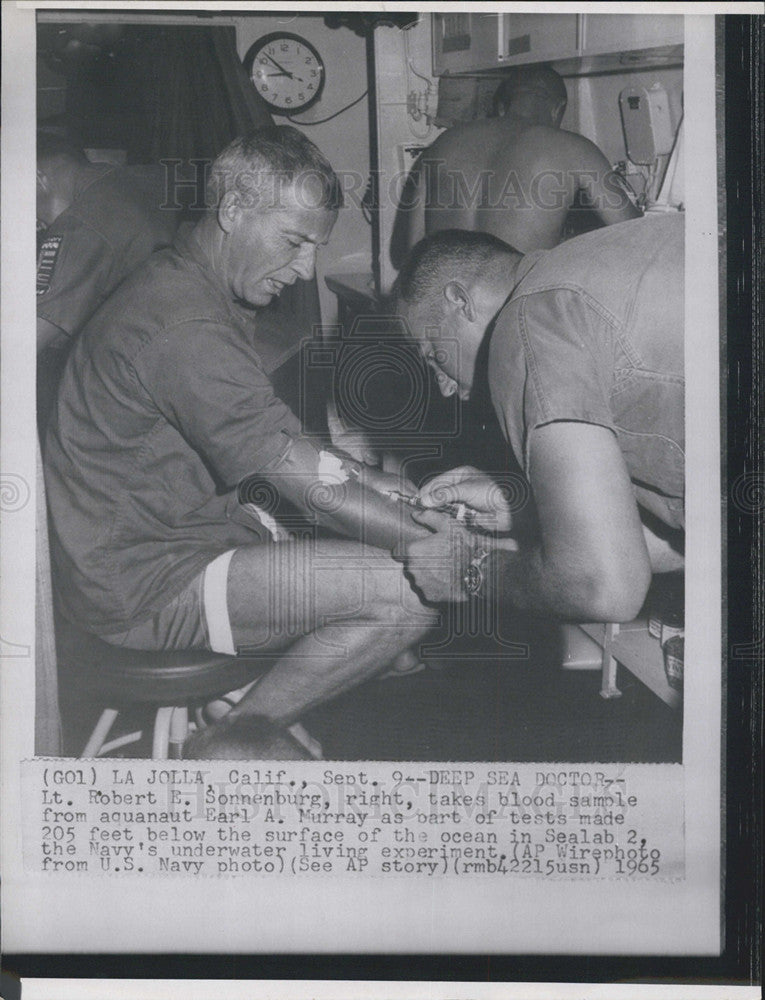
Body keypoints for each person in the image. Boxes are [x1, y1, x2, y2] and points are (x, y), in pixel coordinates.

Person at [45, 126, 437, 759]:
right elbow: (305, 484)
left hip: (161, 542)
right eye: (294, 241)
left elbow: (273, 431)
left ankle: (248, 719)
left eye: (317, 246)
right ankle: (234, 745)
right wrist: (450, 552)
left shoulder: (186, 279)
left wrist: (369, 480)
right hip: (144, 585)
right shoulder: (186, 322)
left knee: (376, 531)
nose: (307, 267)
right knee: (411, 590)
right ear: (232, 210)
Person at [394, 215, 684, 623]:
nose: (444, 387)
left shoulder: (529, 323)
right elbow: (682, 544)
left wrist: (468, 569)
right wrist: (529, 515)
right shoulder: (595, 263)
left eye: (432, 355)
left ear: (460, 300)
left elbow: (604, 587)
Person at [393, 65, 641, 261]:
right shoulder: (575, 149)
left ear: (502, 106)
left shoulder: (442, 144)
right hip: (511, 311)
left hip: (442, 308)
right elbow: (637, 236)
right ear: (558, 110)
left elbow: (410, 250)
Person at [36, 127, 181, 431]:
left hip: (126, 406)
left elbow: (25, 343)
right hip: (177, 371)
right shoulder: (150, 177)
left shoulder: (79, 228)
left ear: (37, 177)